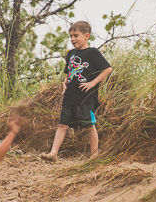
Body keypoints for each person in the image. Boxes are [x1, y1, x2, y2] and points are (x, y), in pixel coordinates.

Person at [41, 20, 112, 161]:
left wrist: (93, 83)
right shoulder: (71, 53)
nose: (72, 39)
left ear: (86, 36)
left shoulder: (92, 52)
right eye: (71, 36)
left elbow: (108, 69)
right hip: (70, 96)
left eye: (76, 35)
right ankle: (53, 153)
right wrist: (65, 81)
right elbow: (68, 71)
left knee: (89, 125)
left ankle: (94, 155)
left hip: (86, 97)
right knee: (62, 124)